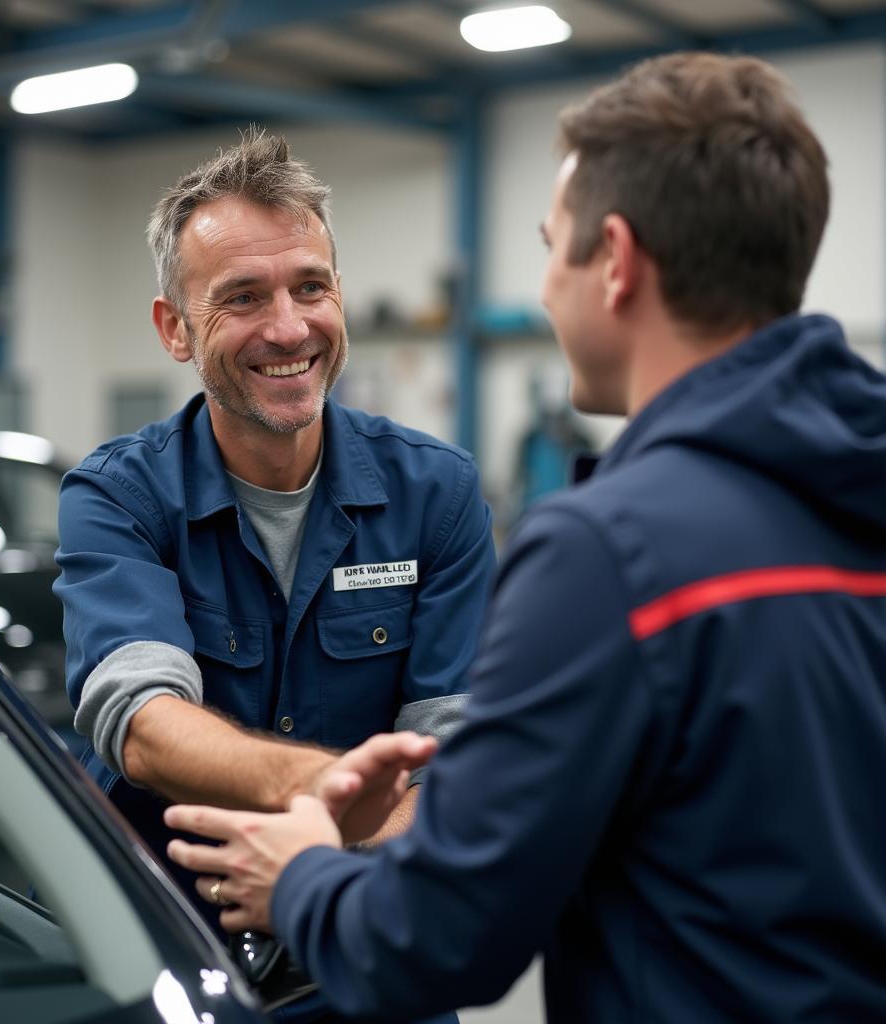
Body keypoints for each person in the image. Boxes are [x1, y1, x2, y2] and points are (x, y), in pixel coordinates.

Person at [163, 52, 886, 1023]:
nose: (545, 290)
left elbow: (440, 938)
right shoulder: (852, 494)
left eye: (554, 248)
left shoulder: (612, 555)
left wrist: (302, 876)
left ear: (617, 263)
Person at [53, 130, 495, 1022]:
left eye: (311, 288)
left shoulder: (436, 494)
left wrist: (327, 848)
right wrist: (328, 803)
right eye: (242, 298)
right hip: (175, 973)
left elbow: (457, 770)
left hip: (376, 969)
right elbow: (139, 722)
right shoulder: (117, 495)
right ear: (175, 328)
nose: (288, 328)